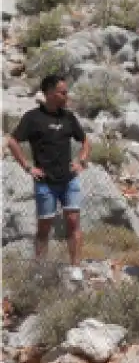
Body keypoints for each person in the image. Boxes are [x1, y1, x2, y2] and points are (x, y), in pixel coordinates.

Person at [7, 74, 91, 282]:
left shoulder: (69, 117)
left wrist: (81, 160)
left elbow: (85, 140)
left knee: (73, 221)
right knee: (45, 227)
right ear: (50, 94)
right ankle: (40, 269)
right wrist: (27, 167)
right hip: (45, 182)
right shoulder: (32, 118)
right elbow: (12, 141)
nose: (67, 96)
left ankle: (75, 268)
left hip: (69, 179)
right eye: (63, 92)